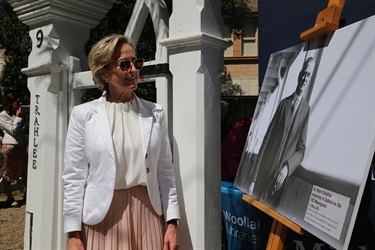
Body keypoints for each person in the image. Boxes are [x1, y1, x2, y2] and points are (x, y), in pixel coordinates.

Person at [62, 34, 180, 250]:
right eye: (124, 65)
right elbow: (74, 176)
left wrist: (172, 224)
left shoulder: (155, 113)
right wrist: (73, 234)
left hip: (149, 213)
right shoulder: (83, 115)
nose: (133, 70)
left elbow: (165, 172)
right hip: (102, 218)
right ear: (103, 72)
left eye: (136, 62)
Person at [248, 57, 314, 209]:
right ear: (299, 75)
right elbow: (266, 141)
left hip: (280, 182)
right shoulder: (283, 103)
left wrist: (287, 168)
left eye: (308, 75)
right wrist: (252, 179)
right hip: (264, 174)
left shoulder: (306, 109)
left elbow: (301, 150)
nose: (305, 78)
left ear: (309, 79)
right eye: (304, 73)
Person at [0, 93, 28, 208]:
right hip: (10, 145)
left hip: (20, 146)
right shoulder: (3, 115)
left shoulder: (17, 115)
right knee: (8, 172)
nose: (19, 105)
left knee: (24, 170)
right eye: (17, 103)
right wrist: (18, 118)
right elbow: (13, 130)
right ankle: (10, 197)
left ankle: (27, 193)